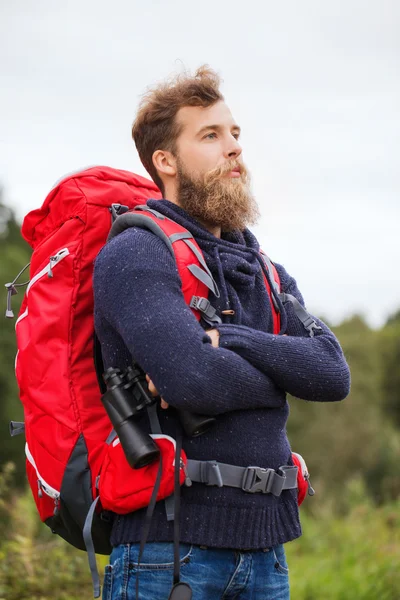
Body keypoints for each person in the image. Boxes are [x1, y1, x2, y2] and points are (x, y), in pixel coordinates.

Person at [93, 66, 350, 600]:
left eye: (234, 134)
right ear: (165, 161)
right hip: (167, 557)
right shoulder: (137, 254)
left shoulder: (266, 271)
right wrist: (283, 370)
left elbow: (331, 373)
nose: (233, 148)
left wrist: (232, 342)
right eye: (209, 136)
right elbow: (194, 382)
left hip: (267, 556)